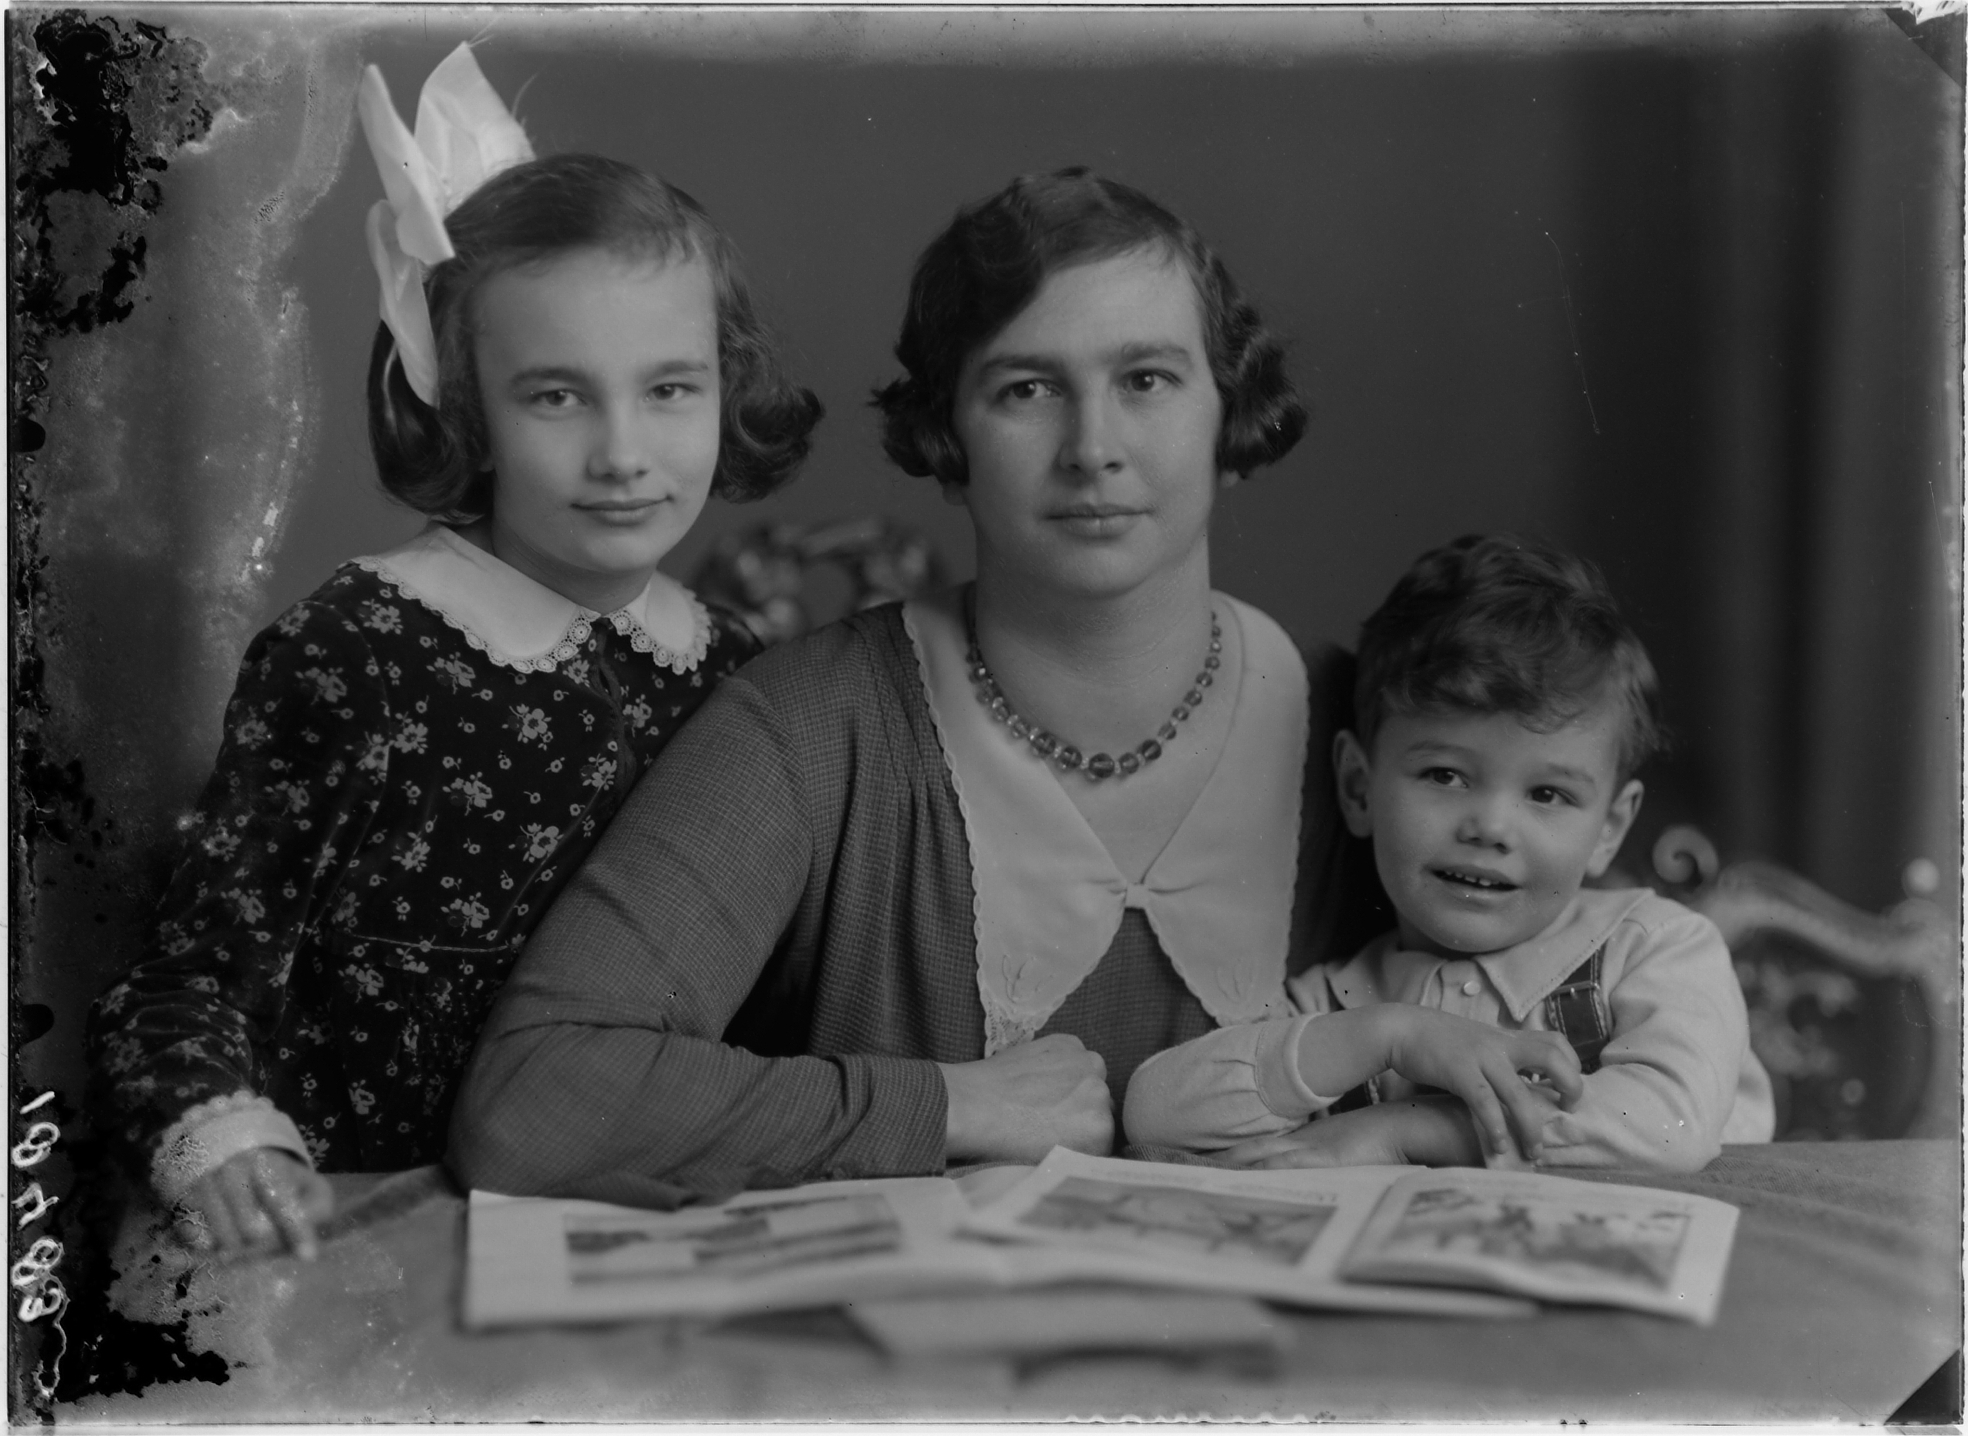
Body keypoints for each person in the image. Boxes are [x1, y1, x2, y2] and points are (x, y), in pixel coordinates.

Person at [450, 168, 1548, 1209]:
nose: (1093, 448)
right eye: (1027, 389)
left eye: (1147, 380)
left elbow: (1595, 1044)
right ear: (948, 438)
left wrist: (1420, 1133)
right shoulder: (810, 726)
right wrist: (943, 1104)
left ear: (1230, 411)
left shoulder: (1379, 736)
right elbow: (534, 1099)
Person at [85, 45, 822, 1259]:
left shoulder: (728, 665)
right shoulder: (360, 652)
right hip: (378, 1230)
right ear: (462, 405)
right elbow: (190, 975)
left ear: (725, 387)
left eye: (670, 390)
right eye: (556, 397)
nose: (623, 452)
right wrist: (227, 1141)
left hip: (640, 1223)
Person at [1123, 535, 1777, 1173]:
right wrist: (1392, 1035)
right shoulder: (1335, 1002)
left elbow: (1671, 1125)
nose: (1490, 827)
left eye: (1547, 794)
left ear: (1609, 828)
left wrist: (1407, 1131)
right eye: (1445, 775)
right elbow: (1154, 1114)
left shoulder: (1656, 949)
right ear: (1359, 789)